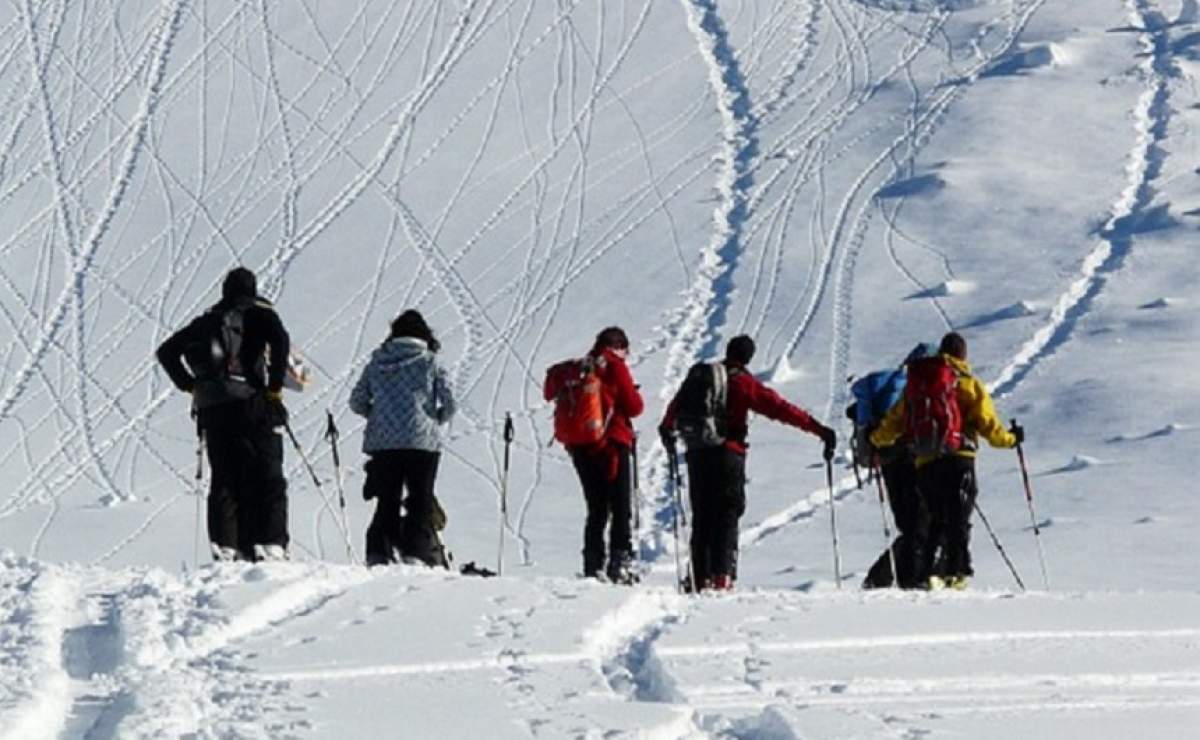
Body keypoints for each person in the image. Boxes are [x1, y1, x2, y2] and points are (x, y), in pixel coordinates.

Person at [660, 335, 836, 591]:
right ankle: (722, 577)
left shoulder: (702, 379)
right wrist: (819, 430)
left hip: (697, 455)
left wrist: (668, 432)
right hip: (728, 454)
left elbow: (673, 411)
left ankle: (700, 578)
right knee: (727, 514)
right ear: (748, 357)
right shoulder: (744, 383)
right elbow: (781, 409)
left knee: (703, 517)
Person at [156, 267, 291, 561]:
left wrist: (190, 386)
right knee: (266, 474)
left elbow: (166, 352)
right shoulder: (259, 313)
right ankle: (269, 543)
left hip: (211, 409)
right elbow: (280, 341)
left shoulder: (207, 320)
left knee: (225, 477)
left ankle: (227, 545)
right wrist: (275, 388)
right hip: (251, 403)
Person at [870, 332, 1021, 590]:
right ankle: (956, 573)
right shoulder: (967, 383)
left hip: (926, 462)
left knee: (936, 517)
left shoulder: (918, 383)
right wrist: (1011, 440)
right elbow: (989, 426)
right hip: (959, 458)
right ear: (963, 355)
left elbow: (895, 421)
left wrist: (876, 439)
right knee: (958, 517)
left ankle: (929, 573)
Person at [350, 310, 457, 567]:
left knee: (387, 499)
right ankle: (416, 552)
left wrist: (378, 418)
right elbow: (451, 402)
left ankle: (378, 550)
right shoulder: (430, 362)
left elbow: (356, 401)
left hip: (384, 444)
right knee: (420, 498)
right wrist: (435, 418)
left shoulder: (377, 362)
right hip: (422, 442)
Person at [544, 327, 644, 583]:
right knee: (620, 507)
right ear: (618, 346)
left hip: (580, 447)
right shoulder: (613, 364)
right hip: (611, 444)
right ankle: (619, 564)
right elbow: (635, 407)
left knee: (596, 508)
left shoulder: (579, 367)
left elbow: (549, 393)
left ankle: (592, 565)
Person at [852, 343, 934, 590]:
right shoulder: (912, 388)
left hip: (887, 460)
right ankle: (903, 579)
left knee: (910, 525)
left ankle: (885, 577)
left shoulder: (890, 385)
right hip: (908, 458)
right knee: (920, 524)